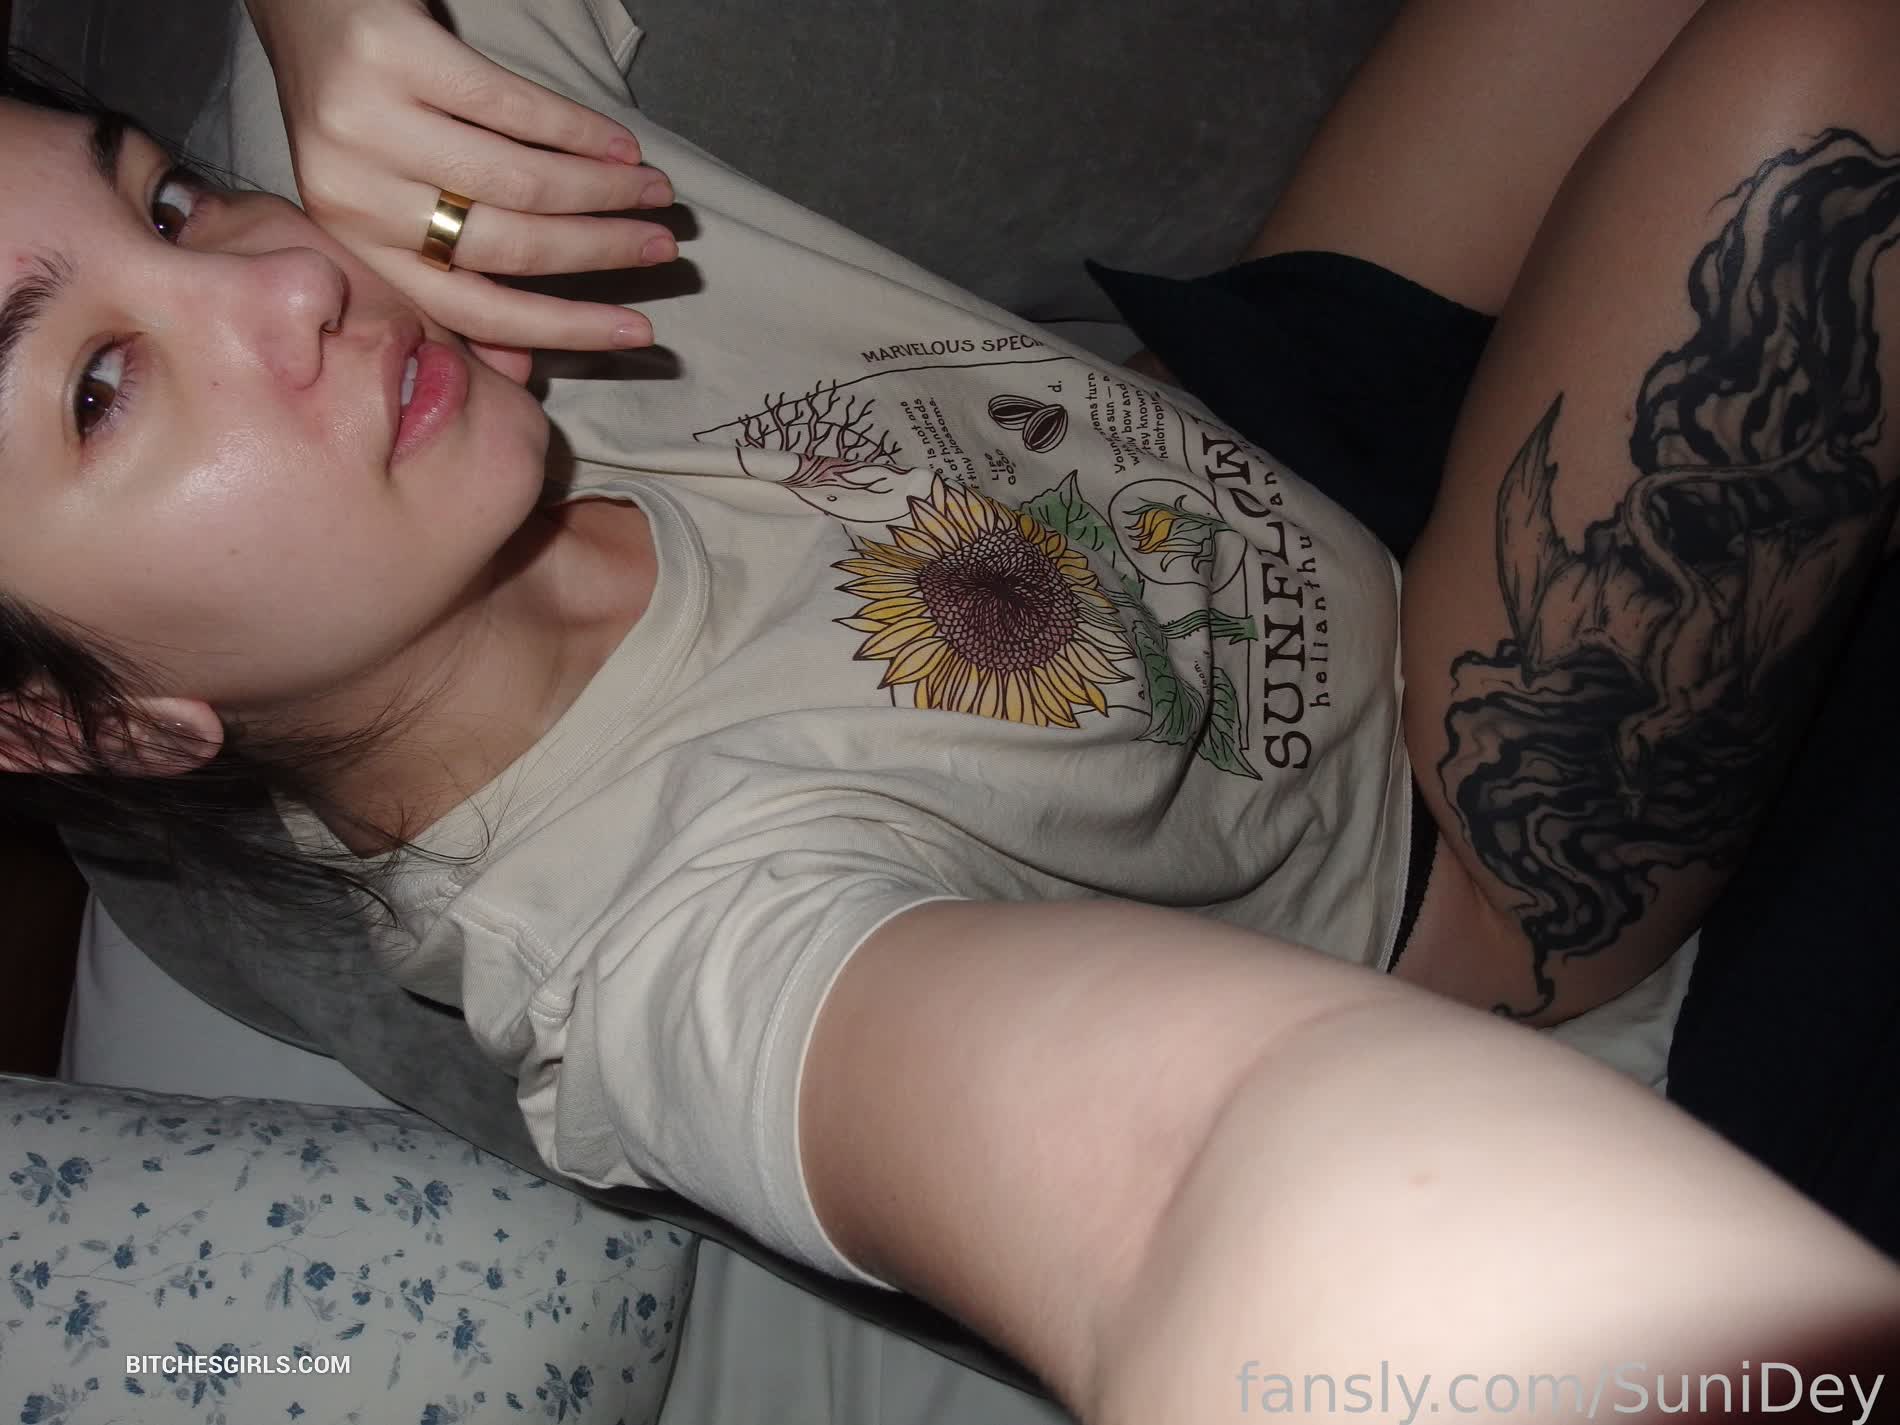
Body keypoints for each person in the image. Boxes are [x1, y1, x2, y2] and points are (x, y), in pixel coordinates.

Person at [3, 0, 1899, 1419]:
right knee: (1828, 71)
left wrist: (327, 22)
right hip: (1463, 841)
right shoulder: (664, 934)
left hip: (1239, 431)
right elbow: (1171, 1177)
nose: (281, 280)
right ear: (86, 724)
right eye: (99, 389)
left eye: (164, 195)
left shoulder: (402, 186)